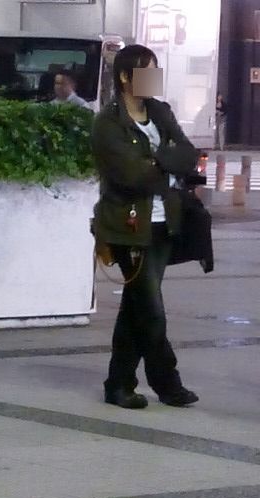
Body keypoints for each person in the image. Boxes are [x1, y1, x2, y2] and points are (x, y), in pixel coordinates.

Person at [91, 44, 199, 410]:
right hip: (128, 226)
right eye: (146, 70)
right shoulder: (109, 122)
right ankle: (167, 383)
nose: (154, 77)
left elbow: (188, 155)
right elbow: (131, 175)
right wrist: (166, 163)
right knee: (150, 308)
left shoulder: (160, 112)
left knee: (136, 308)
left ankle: (118, 385)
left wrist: (157, 160)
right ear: (125, 76)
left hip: (164, 223)